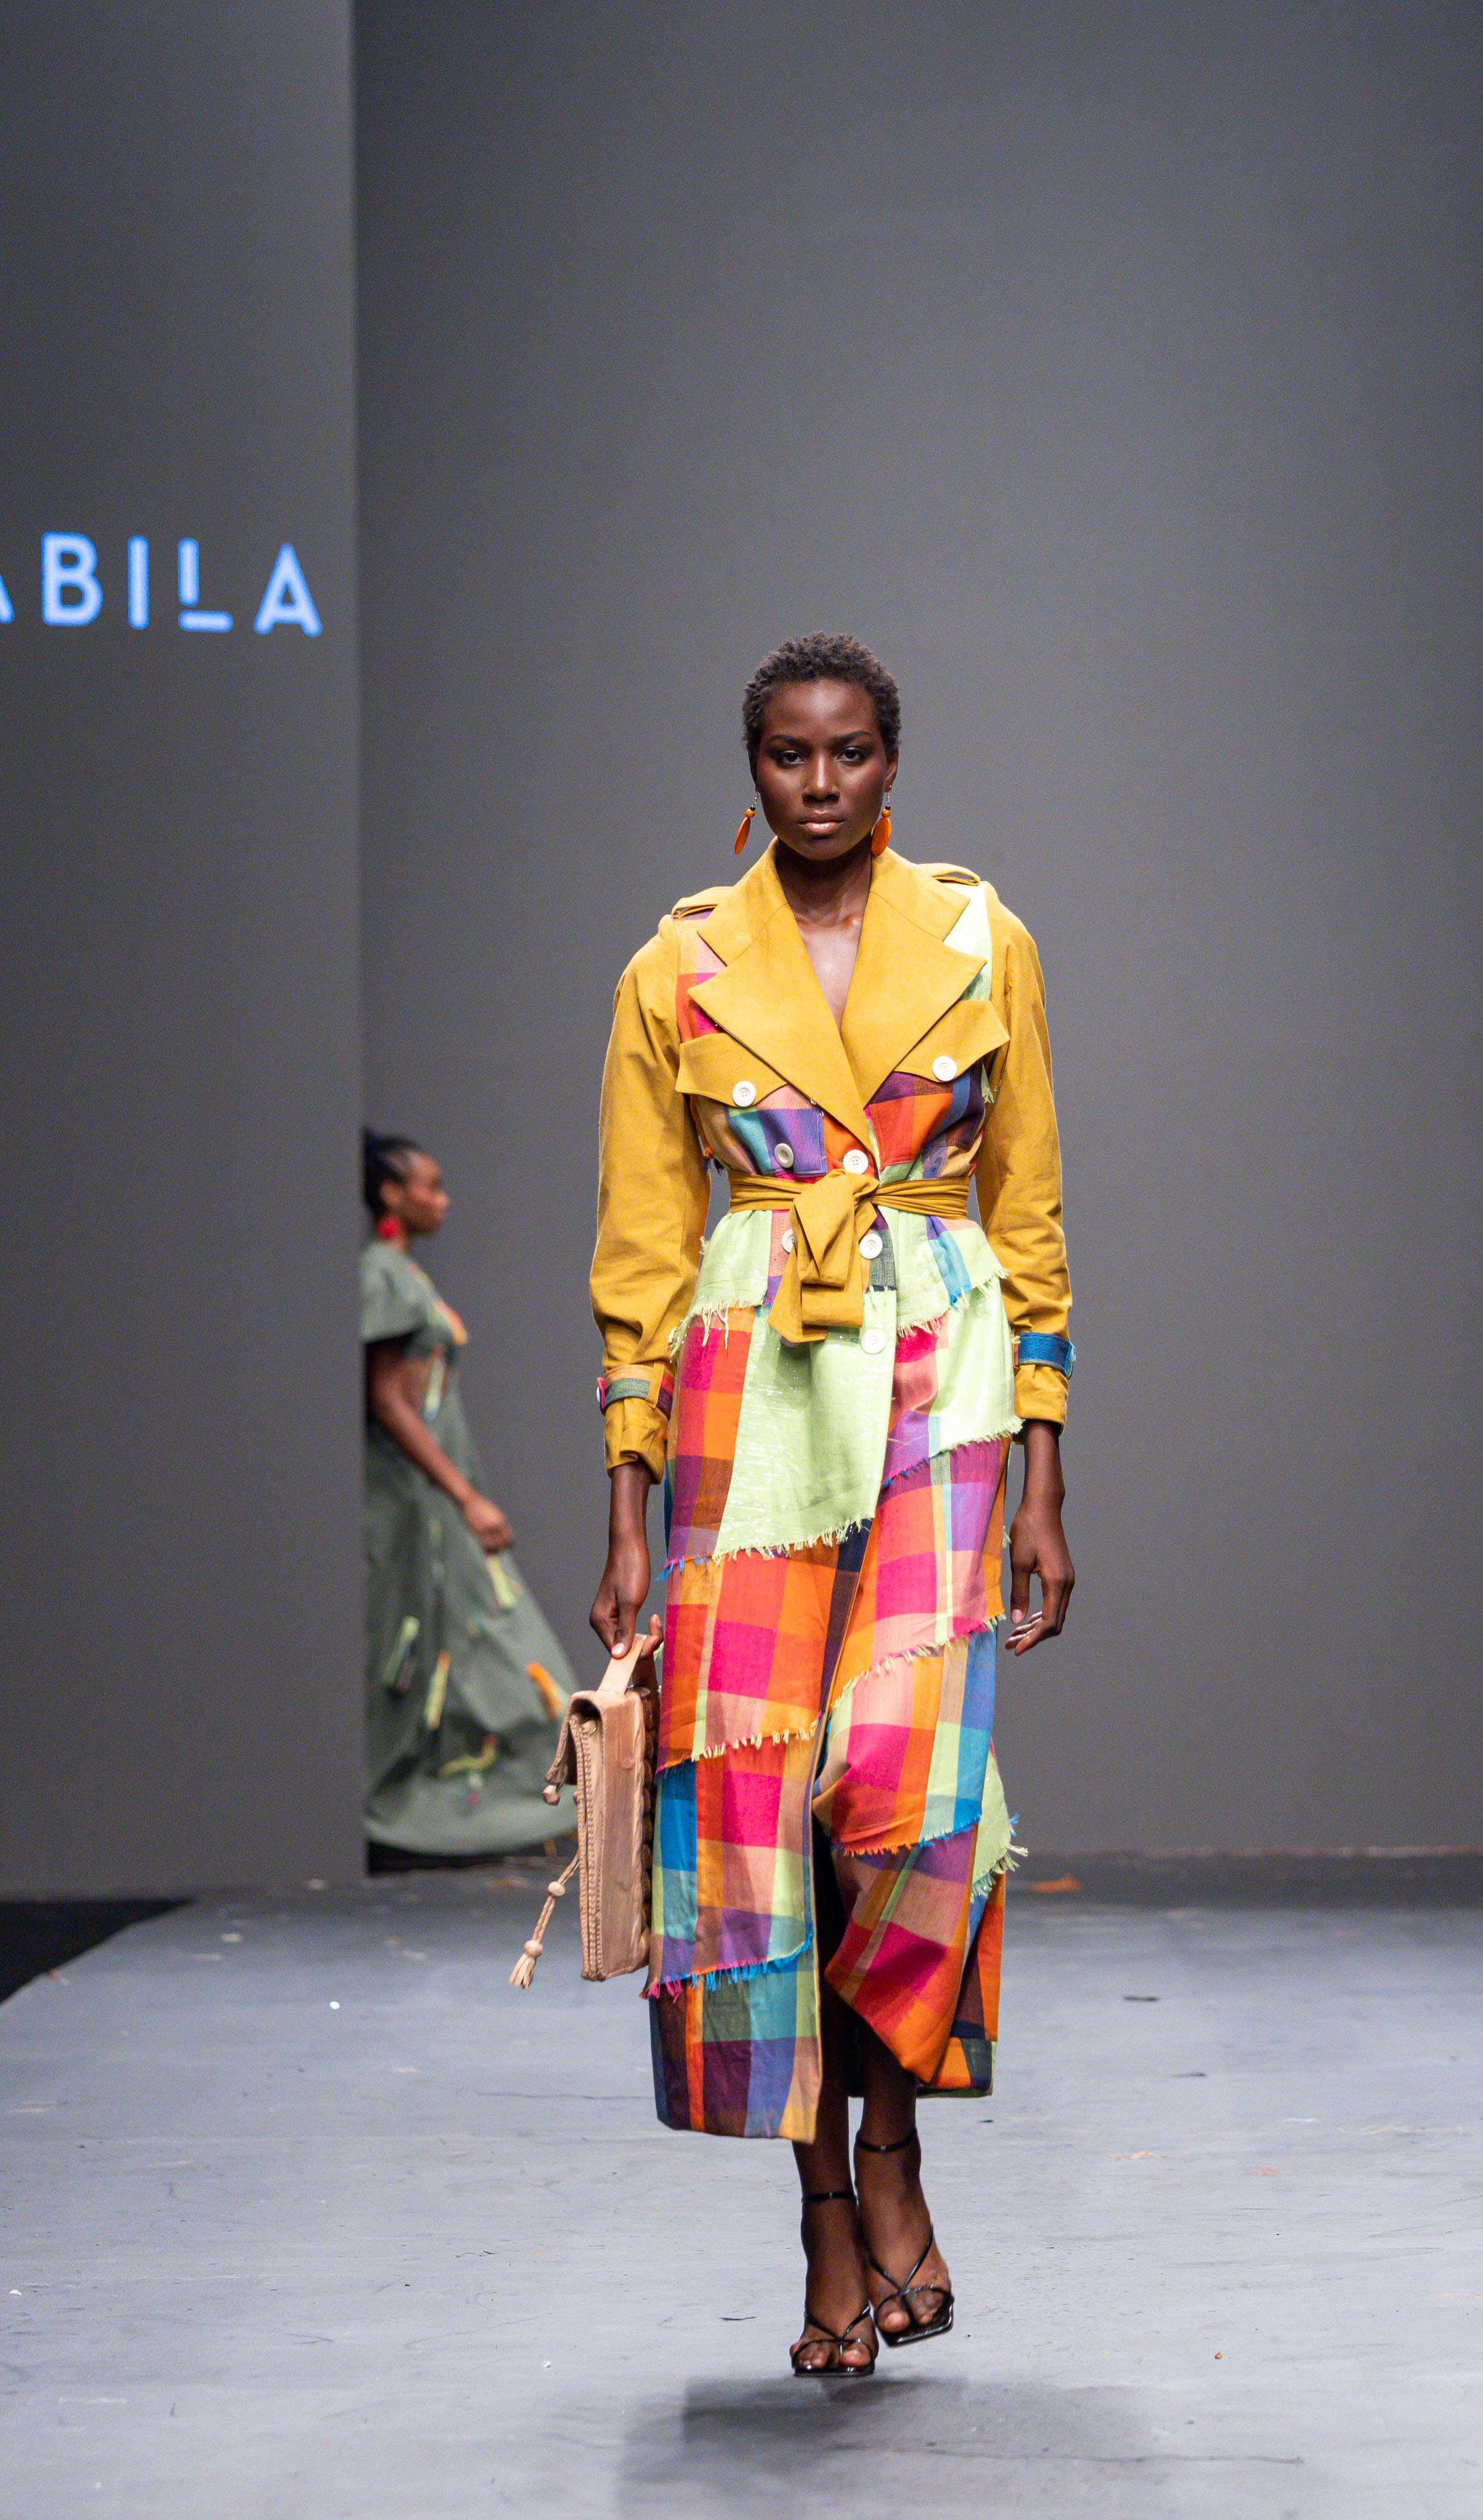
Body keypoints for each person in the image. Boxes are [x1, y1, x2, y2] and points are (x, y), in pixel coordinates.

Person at [589, 633, 1076, 2375]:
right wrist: (626, 1503)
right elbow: (641, 1249)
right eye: (790, 754)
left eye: (849, 751)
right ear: (753, 765)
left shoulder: (981, 940)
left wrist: (1045, 1472)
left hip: (942, 1365)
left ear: (890, 761)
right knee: (754, 1806)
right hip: (748, 1381)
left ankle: (894, 2145)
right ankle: (819, 2209)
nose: (819, 782)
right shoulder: (677, 965)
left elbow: (1028, 1212)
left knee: (904, 1795)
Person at [361, 1130, 576, 1859]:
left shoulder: (401, 1273)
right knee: (461, 1638)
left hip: (434, 1494)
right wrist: (463, 1496)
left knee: (472, 1636)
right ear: (391, 1194)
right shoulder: (381, 1275)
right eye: (429, 1185)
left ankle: (514, 1803)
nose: (443, 1199)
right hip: (418, 1499)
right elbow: (388, 1400)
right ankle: (424, 1813)